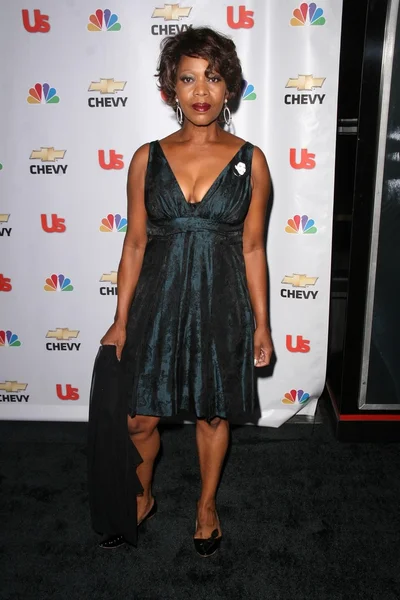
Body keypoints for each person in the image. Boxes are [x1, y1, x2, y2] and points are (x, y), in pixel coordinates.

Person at [98, 26, 273, 556]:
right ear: (170, 89)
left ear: (228, 88)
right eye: (188, 78)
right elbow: (133, 244)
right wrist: (121, 317)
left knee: (212, 412)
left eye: (213, 78)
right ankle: (144, 493)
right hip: (157, 299)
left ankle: (206, 505)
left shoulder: (252, 159)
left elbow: (253, 249)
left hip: (221, 301)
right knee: (138, 416)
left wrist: (263, 323)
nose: (201, 90)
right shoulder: (145, 158)